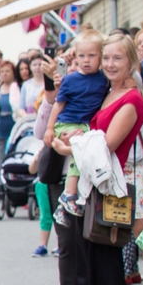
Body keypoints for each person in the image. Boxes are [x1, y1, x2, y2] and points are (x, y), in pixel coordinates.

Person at [72, 34, 143, 285]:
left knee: (108, 265)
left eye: (117, 59)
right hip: (94, 188)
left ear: (131, 61)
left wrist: (72, 145)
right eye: (107, 58)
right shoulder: (107, 92)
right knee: (88, 265)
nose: (110, 64)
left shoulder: (131, 100)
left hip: (111, 190)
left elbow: (106, 146)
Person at [48, 32, 110, 217]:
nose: (86, 60)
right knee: (81, 148)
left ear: (101, 56)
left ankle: (68, 199)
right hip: (67, 123)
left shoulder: (104, 79)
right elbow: (58, 105)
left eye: (92, 55)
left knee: (84, 153)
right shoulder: (69, 79)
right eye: (81, 56)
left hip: (86, 126)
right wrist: (50, 128)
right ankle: (69, 193)